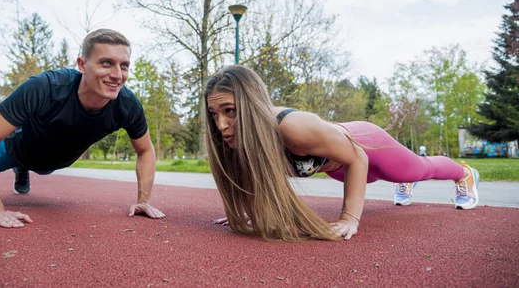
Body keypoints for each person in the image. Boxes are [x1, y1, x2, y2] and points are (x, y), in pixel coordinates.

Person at [204, 65, 479, 242]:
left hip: (366, 144)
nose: (221, 125)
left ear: (251, 103)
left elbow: (358, 157)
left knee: (418, 168)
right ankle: (403, 182)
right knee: (383, 177)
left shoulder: (294, 128)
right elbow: (258, 178)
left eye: (230, 110)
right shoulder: (235, 140)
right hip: (338, 167)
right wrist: (248, 210)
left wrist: (349, 219)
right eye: (214, 114)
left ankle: (463, 172)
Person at [0, 28, 165, 228]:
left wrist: (143, 200)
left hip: (51, 161)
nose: (117, 74)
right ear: (81, 65)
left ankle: (23, 169)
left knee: (44, 167)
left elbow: (145, 150)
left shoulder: (127, 105)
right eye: (106, 63)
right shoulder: (44, 87)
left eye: (123, 65)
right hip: (15, 146)